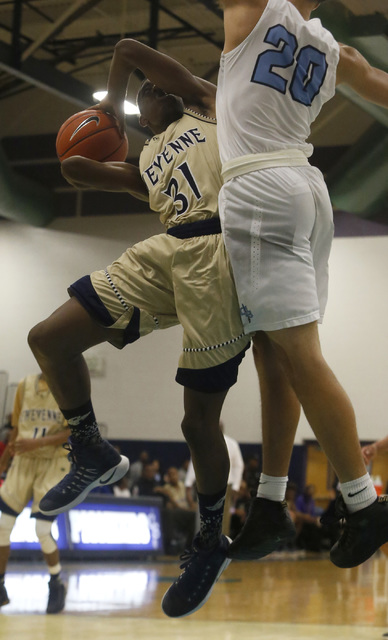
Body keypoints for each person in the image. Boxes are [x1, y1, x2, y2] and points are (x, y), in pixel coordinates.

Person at [27, 38, 251, 618]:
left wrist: (110, 107)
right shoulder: (145, 160)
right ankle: (90, 448)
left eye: (158, 87)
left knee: (197, 420)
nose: (152, 90)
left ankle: (210, 536)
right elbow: (76, 169)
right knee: (48, 337)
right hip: (166, 251)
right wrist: (100, 134)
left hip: (218, 253)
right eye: (145, 94)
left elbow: (128, 49)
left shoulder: (207, 105)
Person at [217, 0, 388, 568]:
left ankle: (364, 504)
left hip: (259, 190)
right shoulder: (334, 50)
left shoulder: (254, 10)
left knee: (300, 355)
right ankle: (269, 504)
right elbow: (381, 85)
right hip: (305, 190)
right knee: (273, 351)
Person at [0, 373, 70, 613]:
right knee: (3, 526)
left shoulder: (68, 385)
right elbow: (16, 427)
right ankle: (0, 586)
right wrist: (4, 459)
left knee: (42, 529)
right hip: (23, 459)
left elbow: (73, 431)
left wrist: (38, 443)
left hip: (53, 460)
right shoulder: (24, 385)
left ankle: (56, 582)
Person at [185, 421, 244, 535]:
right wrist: (188, 484)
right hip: (205, 484)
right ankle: (202, 544)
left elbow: (238, 465)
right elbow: (195, 463)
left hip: (226, 486)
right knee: (203, 516)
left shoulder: (232, 444)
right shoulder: (202, 443)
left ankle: (221, 545)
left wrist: (236, 486)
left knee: (224, 517)